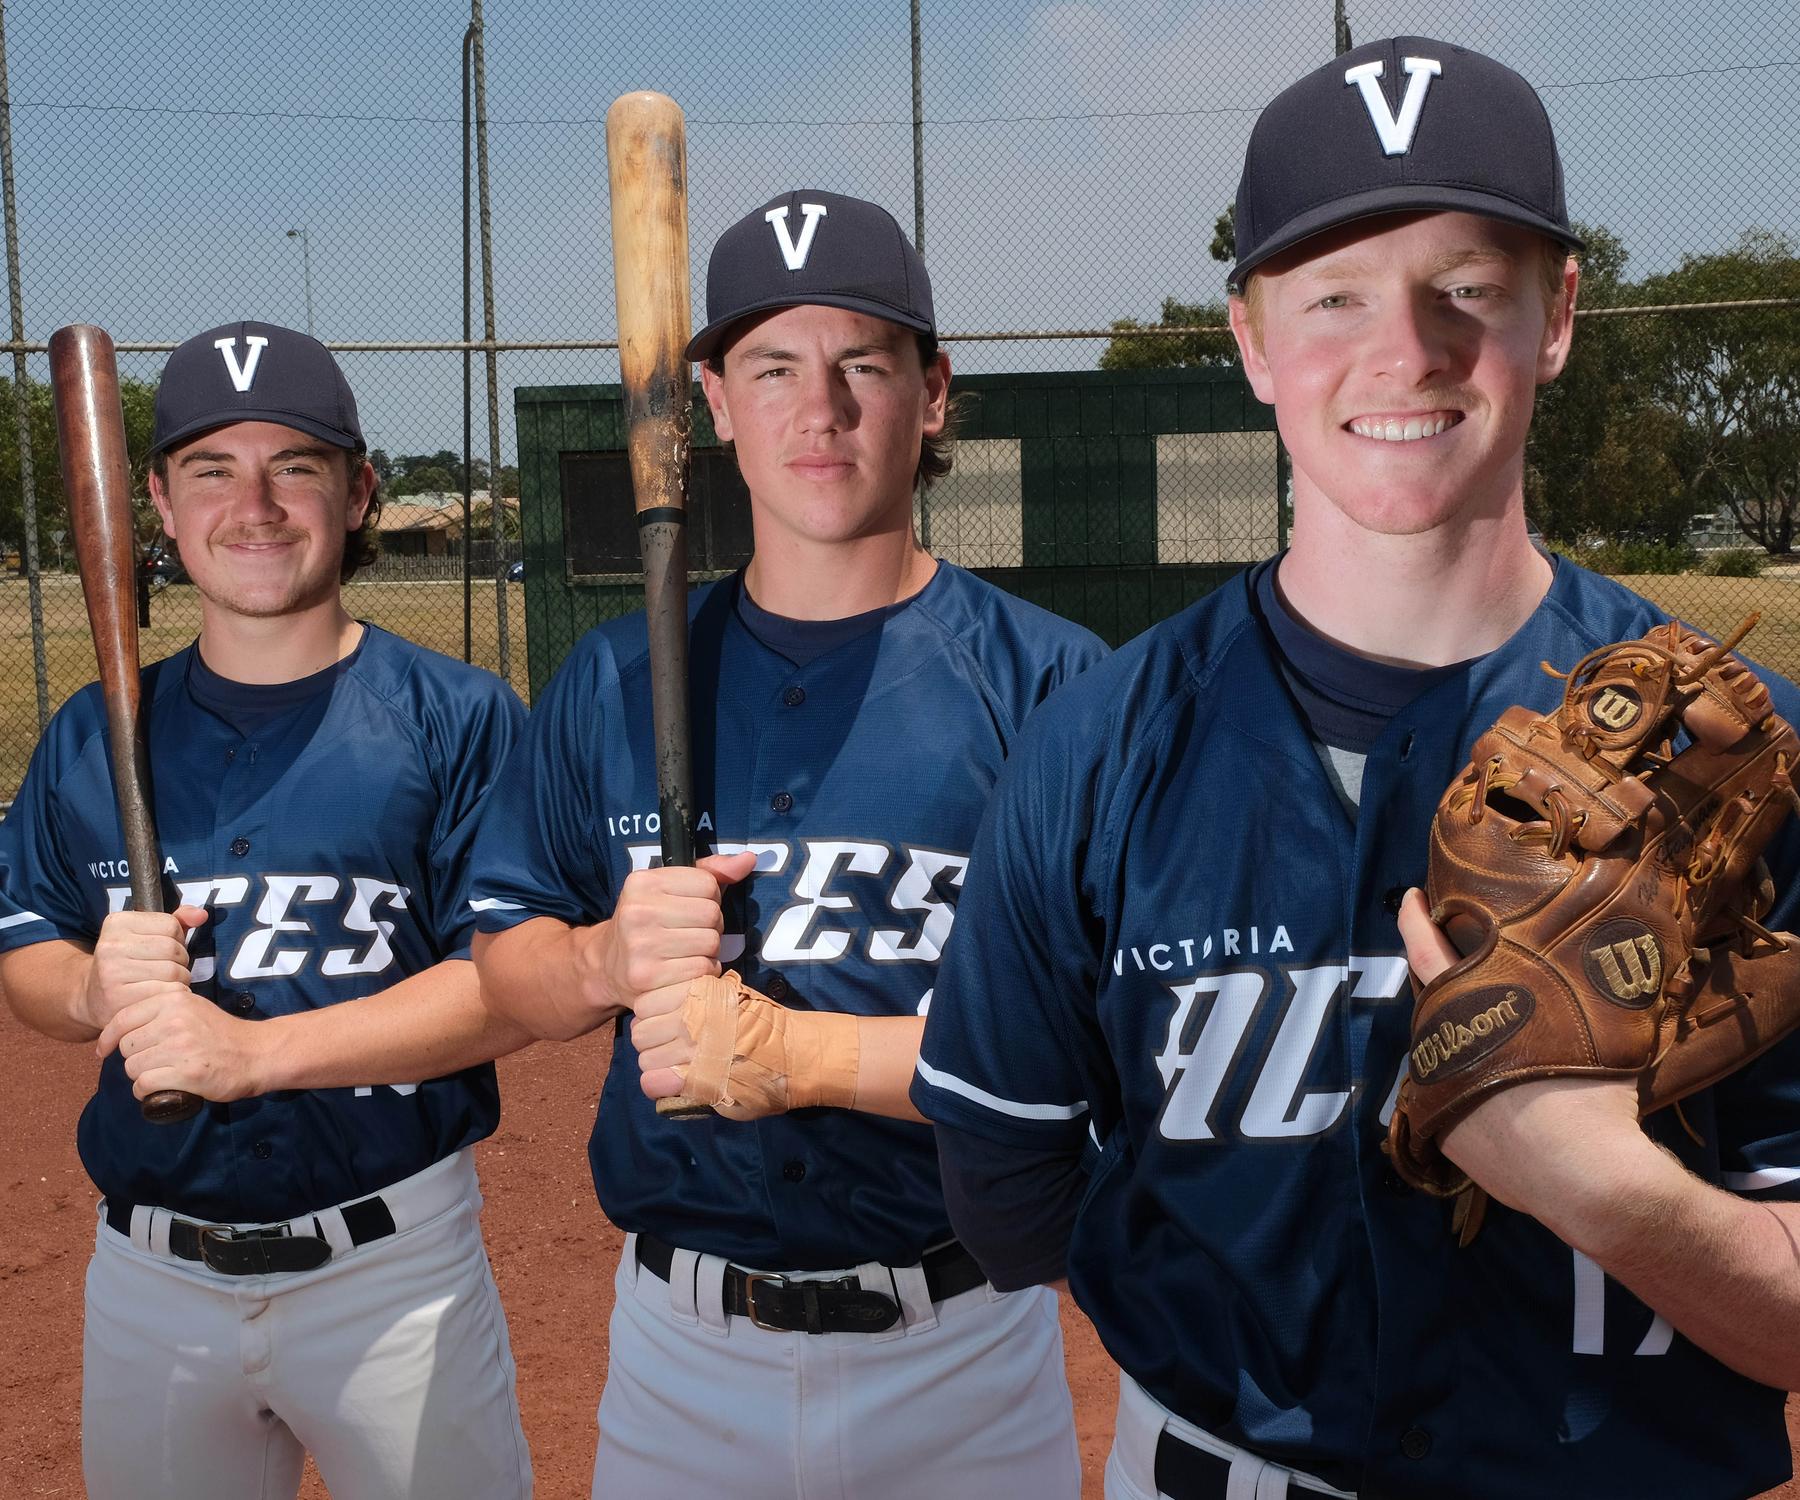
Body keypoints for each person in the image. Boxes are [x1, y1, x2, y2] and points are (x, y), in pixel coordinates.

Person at [913, 37, 1800, 1500]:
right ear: (1253, 339)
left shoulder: (1738, 754)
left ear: (1557, 316)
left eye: (1466, 285)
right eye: (1333, 295)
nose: (1405, 349)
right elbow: (1012, 1195)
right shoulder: (1097, 738)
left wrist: (1599, 1184)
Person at [469, 190, 1107, 1498]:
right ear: (709, 399)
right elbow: (506, 967)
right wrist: (602, 962)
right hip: (679, 1365)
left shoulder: (1057, 689)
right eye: (772, 367)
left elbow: (1097, 1054)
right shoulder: (612, 683)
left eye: (862, 364)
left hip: (965, 1358)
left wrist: (800, 1056)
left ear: (932, 395)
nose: (818, 409)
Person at [0, 322, 535, 1500]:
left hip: (392, 1270)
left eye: (294, 464)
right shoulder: (98, 732)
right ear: (156, 500)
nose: (255, 504)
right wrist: (91, 985)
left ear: (358, 492)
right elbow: (29, 940)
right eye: (211, 469)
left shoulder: (456, 717)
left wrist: (252, 1053)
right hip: (152, 1281)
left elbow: (505, 985)